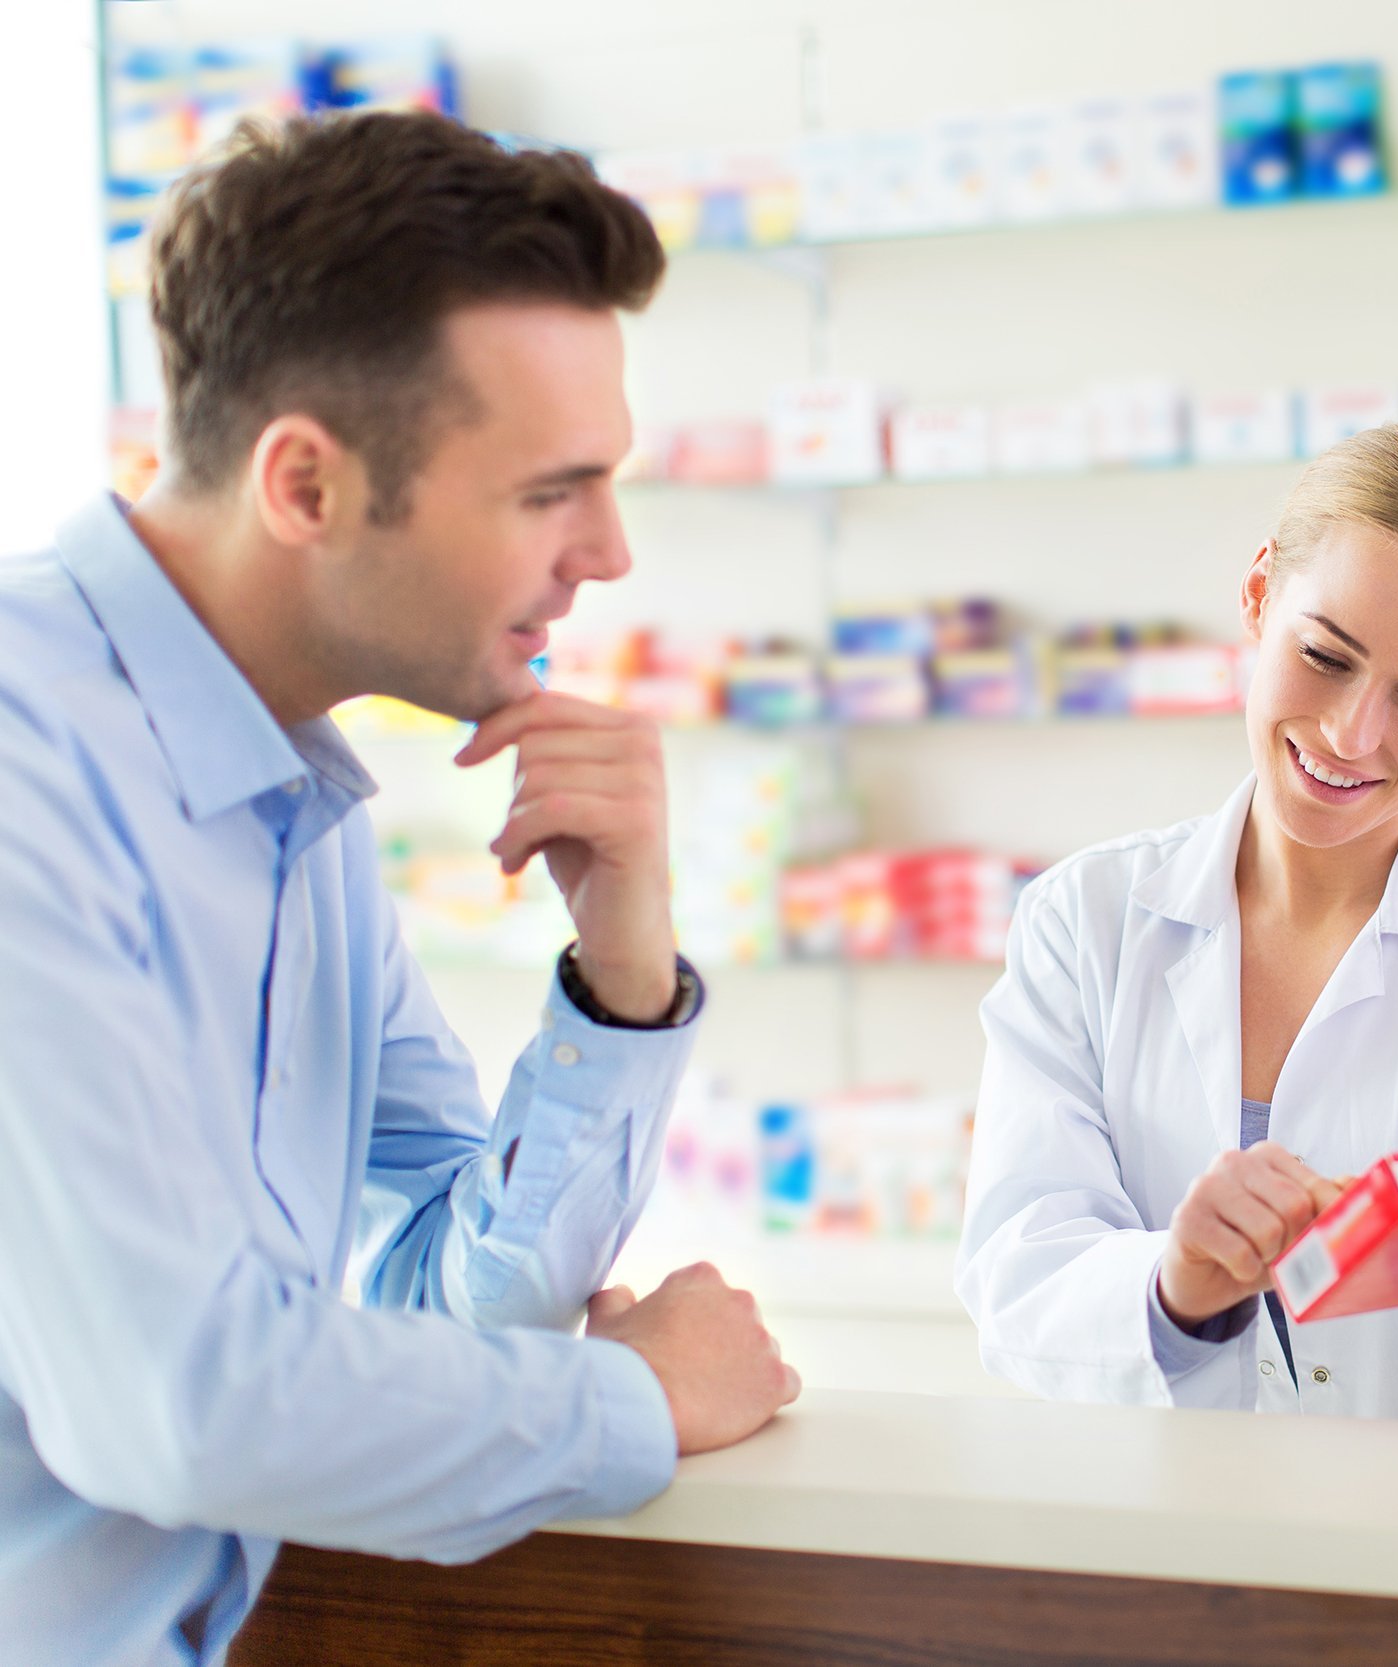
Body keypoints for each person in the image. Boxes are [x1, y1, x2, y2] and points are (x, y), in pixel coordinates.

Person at [0, 112, 799, 1666]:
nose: (610, 552)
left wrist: (622, 971)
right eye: (549, 491)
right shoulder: (26, 775)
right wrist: (639, 1395)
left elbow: (450, 1295)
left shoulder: (291, 795)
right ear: (305, 481)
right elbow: (181, 1406)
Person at [956, 420, 1398, 1423]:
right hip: (1151, 1541)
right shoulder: (1084, 918)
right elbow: (1016, 1276)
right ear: (1258, 596)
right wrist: (1179, 1285)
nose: (1351, 734)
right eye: (1324, 656)